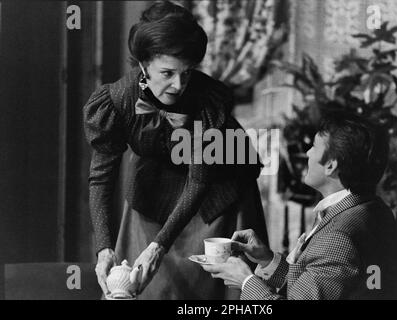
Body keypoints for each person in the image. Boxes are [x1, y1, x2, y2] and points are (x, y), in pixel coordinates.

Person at [83, 1, 268, 300]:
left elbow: (199, 181)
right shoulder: (116, 101)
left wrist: (159, 246)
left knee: (205, 292)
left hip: (219, 189)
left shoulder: (208, 104)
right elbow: (101, 179)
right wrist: (103, 248)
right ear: (143, 64)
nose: (178, 84)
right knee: (139, 286)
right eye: (167, 73)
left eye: (187, 73)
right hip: (154, 186)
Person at [202, 111, 397, 299]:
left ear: (331, 165)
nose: (308, 153)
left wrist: (246, 281)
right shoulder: (374, 209)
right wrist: (267, 260)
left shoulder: (337, 237)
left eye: (314, 147)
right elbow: (318, 288)